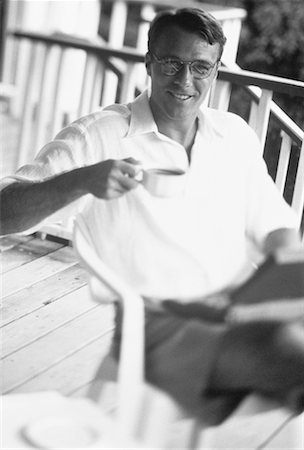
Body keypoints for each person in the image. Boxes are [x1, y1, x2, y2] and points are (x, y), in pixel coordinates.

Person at [1, 8, 303, 424]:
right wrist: (81, 181)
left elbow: (278, 228)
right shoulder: (101, 135)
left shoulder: (232, 135)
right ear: (149, 63)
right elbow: (3, 212)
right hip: (160, 331)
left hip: (242, 310)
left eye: (200, 67)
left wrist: (279, 287)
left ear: (216, 71)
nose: (185, 81)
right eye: (171, 63)